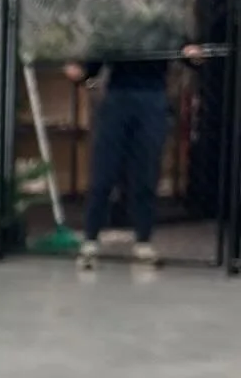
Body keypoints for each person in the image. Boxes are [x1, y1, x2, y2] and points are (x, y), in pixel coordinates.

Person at [65, 46, 202, 265]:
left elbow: (185, 51)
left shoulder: (162, 29)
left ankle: (143, 241)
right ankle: (91, 240)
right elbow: (94, 63)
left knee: (146, 172)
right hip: (119, 97)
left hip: (151, 97)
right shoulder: (117, 30)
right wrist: (80, 72)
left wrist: (193, 55)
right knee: (103, 172)